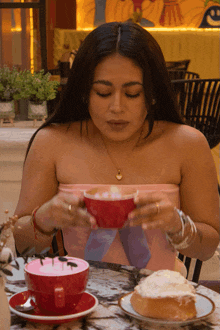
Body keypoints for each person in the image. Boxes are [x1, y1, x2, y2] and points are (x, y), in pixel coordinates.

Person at [14, 22, 219, 273]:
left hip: (160, 300)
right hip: (80, 298)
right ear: (83, 92)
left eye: (133, 93)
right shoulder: (51, 142)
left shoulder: (188, 144)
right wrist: (43, 220)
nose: (117, 108)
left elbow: (207, 248)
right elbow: (22, 245)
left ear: (153, 94)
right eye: (102, 92)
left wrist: (178, 225)